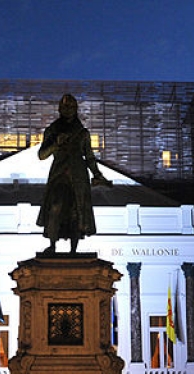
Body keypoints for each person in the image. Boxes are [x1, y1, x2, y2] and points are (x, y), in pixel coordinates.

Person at [37, 93, 111, 254]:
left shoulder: (82, 133)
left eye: (71, 107)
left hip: (78, 176)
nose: (67, 110)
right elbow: (41, 155)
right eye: (64, 107)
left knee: (76, 212)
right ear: (59, 109)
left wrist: (97, 174)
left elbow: (90, 156)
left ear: (76, 109)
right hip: (59, 175)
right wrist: (55, 143)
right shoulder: (52, 130)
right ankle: (52, 245)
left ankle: (73, 250)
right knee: (55, 206)